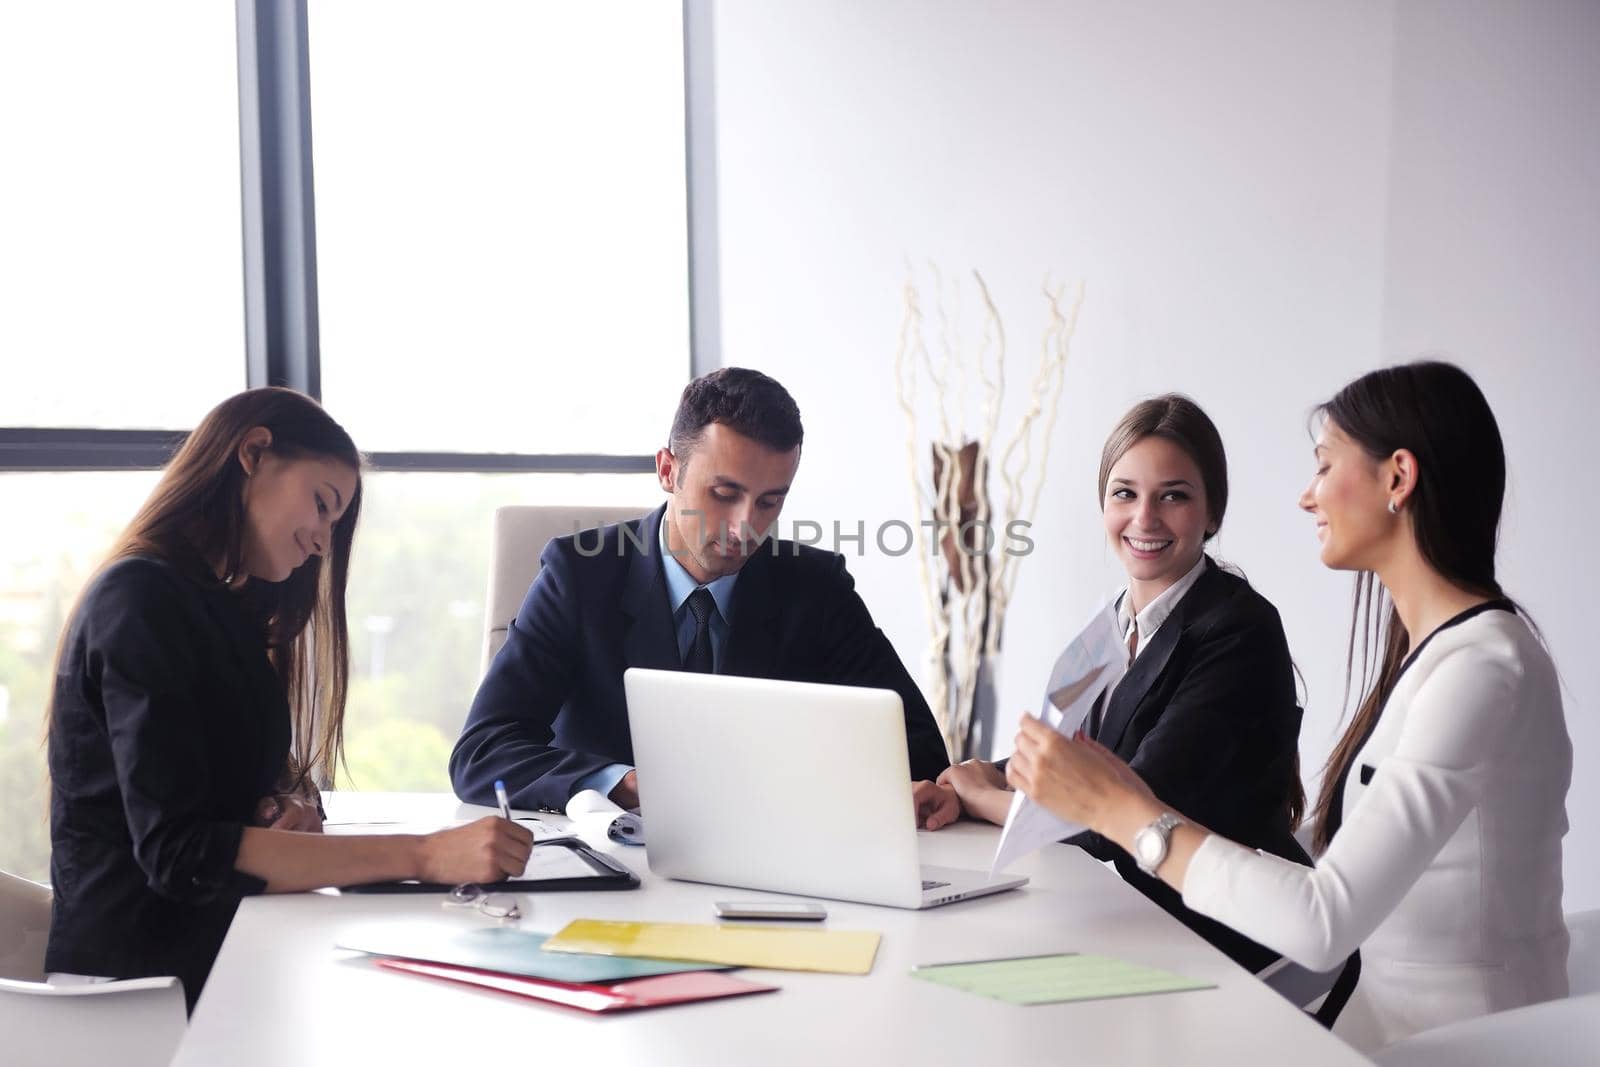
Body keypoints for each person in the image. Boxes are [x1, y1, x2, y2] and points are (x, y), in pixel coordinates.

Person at [1008, 362, 1570, 1052]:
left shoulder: (1483, 670)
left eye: (1325, 464)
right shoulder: (1441, 655)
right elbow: (1339, 869)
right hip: (1361, 1020)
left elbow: (1323, 917)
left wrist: (1121, 811)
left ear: (1398, 478)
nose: (1308, 496)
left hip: (1450, 1045)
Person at [44, 388, 532, 1010]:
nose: (324, 543)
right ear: (253, 452)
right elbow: (183, 854)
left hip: (216, 959)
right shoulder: (140, 599)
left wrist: (280, 808)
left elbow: (210, 802)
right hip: (135, 994)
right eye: (322, 505)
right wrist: (426, 855)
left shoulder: (219, 611)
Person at [451, 367, 951, 815]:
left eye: (769, 502)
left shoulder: (816, 588)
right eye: (725, 494)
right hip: (615, 861)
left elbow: (921, 751)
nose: (745, 527)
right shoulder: (578, 575)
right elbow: (483, 752)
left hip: (771, 860)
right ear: (668, 470)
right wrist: (619, 784)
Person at [924, 394, 1310, 972]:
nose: (1145, 518)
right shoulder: (1106, 626)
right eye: (1124, 494)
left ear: (1212, 513)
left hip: (1215, 944)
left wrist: (983, 796)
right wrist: (970, 779)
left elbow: (1119, 815)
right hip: (1133, 922)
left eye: (1173, 496)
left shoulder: (1239, 630)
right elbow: (1071, 763)